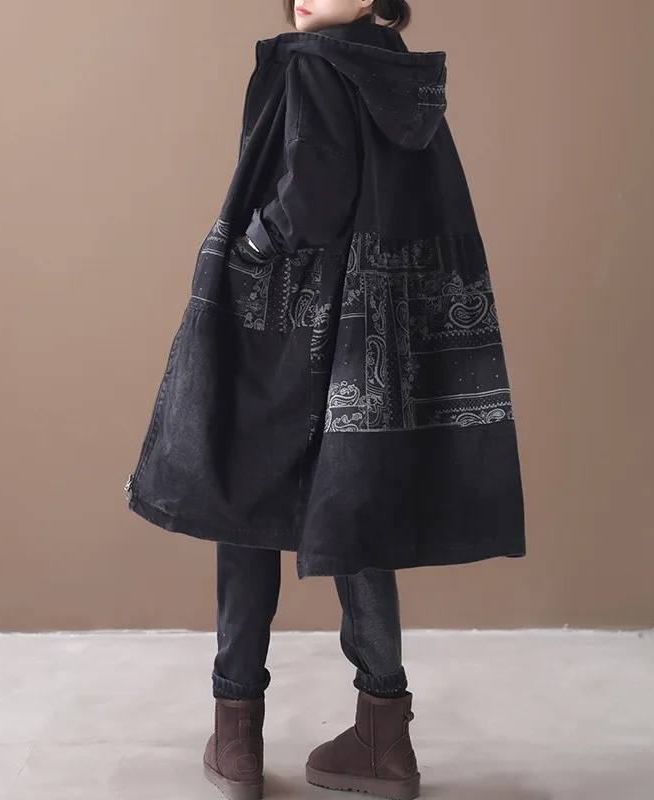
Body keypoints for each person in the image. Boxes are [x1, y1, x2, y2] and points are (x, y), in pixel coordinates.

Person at [125, 1, 525, 798]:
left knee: (240, 499)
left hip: (287, 322)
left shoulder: (314, 62)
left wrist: (253, 243)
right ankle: (385, 737)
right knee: (356, 516)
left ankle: (236, 733)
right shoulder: (401, 77)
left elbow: (313, 192)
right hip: (370, 335)